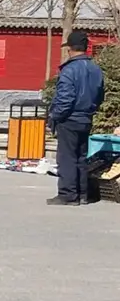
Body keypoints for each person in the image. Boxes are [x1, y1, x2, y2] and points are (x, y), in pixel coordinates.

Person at [47, 30, 106, 205]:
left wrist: (55, 116)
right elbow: (100, 95)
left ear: (70, 48)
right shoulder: (95, 69)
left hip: (69, 119)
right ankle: (82, 194)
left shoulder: (69, 70)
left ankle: (68, 194)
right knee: (81, 156)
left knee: (67, 157)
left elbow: (65, 99)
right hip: (86, 118)